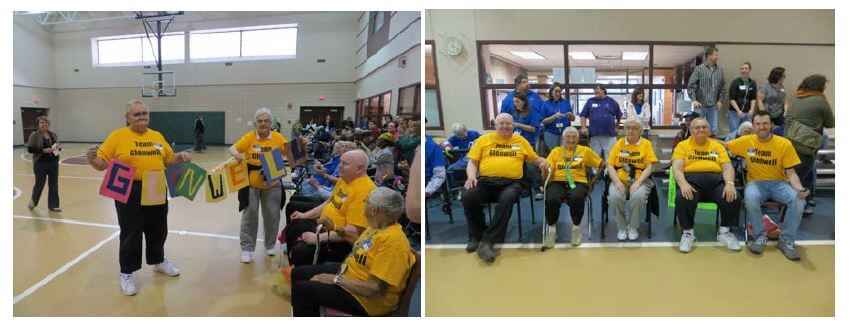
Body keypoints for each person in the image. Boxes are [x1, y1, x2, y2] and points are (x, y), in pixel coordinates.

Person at [86, 100, 190, 296]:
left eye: (145, 113)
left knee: (158, 228)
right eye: (137, 114)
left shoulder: (157, 136)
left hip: (155, 185)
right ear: (127, 118)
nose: (142, 117)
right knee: (130, 231)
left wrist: (181, 157)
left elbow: (169, 160)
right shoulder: (118, 136)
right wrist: (92, 159)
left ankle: (158, 261)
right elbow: (101, 164)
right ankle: (126, 272)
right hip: (127, 186)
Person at [290, 187, 415, 317]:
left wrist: (334, 279)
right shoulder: (378, 227)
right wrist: (335, 228)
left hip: (366, 301)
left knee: (302, 292)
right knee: (298, 273)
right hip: (351, 275)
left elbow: (374, 289)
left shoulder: (393, 242)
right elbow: (359, 244)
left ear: (374, 210)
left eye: (366, 201)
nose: (364, 205)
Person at [462, 113, 548, 263]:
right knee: (468, 196)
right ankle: (476, 236)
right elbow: (473, 161)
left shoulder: (520, 141)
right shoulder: (484, 140)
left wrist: (544, 162)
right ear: (495, 125)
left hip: (512, 183)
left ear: (513, 125)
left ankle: (488, 242)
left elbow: (534, 158)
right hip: (486, 182)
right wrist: (471, 176)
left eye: (508, 123)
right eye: (501, 123)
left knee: (507, 198)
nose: (505, 126)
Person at [728, 111, 807, 261]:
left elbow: (791, 173)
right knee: (750, 198)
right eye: (757, 124)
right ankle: (759, 236)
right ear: (754, 126)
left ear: (771, 125)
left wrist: (799, 188)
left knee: (798, 200)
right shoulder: (746, 141)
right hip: (756, 183)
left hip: (779, 183)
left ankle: (786, 241)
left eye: (765, 123)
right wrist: (703, 139)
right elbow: (725, 146)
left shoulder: (784, 144)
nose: (761, 127)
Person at [287, 150, 376, 266]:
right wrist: (305, 215)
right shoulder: (344, 180)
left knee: (301, 251)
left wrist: (318, 238)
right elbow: (329, 203)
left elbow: (352, 233)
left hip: (340, 240)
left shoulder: (365, 191)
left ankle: (303, 273)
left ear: (359, 169)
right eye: (340, 162)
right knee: (293, 226)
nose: (339, 166)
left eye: (345, 163)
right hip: (324, 226)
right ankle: (294, 267)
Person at [230, 108, 296, 264]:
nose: (263, 123)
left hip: (272, 184)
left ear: (271, 123)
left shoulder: (278, 138)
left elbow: (291, 153)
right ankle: (246, 249)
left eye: (266, 121)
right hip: (251, 185)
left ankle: (270, 245)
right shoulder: (249, 137)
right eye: (260, 121)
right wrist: (236, 154)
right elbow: (233, 147)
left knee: (272, 216)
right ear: (255, 124)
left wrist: (300, 145)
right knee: (250, 215)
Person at [671, 117, 742, 253]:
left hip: (715, 182)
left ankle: (724, 232)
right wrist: (683, 184)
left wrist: (730, 183)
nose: (701, 130)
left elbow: (727, 167)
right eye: (697, 127)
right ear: (691, 131)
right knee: (683, 197)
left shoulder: (717, 146)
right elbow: (677, 168)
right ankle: (688, 233)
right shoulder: (683, 146)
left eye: (704, 127)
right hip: (692, 181)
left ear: (709, 130)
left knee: (734, 196)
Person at [542, 126, 604, 248]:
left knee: (576, 197)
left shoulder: (584, 151)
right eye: (568, 137)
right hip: (557, 181)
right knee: (552, 199)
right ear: (563, 138)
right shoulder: (555, 151)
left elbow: (602, 164)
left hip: (578, 181)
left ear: (578, 138)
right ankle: (552, 231)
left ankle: (576, 229)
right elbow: (547, 173)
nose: (571, 140)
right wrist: (544, 171)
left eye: (574, 137)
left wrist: (593, 182)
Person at [787, 74, 834, 216]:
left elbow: (787, 119)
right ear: (819, 86)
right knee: (801, 178)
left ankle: (805, 202)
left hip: (790, 143)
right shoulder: (820, 100)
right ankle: (798, 207)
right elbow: (830, 123)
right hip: (807, 145)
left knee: (799, 175)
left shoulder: (796, 98)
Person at [606, 119, 658, 241]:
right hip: (620, 180)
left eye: (634, 128)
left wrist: (638, 182)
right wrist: (617, 182)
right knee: (614, 197)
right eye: (628, 128)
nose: (631, 130)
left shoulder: (646, 144)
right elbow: (609, 165)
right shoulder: (619, 143)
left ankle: (633, 227)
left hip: (641, 180)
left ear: (640, 130)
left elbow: (649, 167)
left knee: (638, 197)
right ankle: (622, 227)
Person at [504, 91, 544, 200]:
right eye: (514, 102)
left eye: (517, 101)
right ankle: (526, 189)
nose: (515, 104)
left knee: (531, 167)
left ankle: (539, 189)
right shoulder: (514, 114)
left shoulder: (531, 113)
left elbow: (533, 129)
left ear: (524, 102)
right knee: (521, 167)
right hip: (516, 144)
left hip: (528, 143)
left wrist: (518, 125)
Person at [687, 47, 726, 135]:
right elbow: (691, 86)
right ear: (709, 56)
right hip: (700, 105)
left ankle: (712, 148)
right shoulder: (699, 69)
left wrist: (720, 100)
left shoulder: (720, 71)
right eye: (716, 55)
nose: (717, 57)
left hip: (713, 106)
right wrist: (694, 100)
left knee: (713, 130)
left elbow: (723, 87)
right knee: (696, 128)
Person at [26, 116, 62, 212]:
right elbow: (30, 149)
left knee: (53, 184)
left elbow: (58, 146)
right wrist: (43, 150)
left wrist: (59, 147)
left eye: (46, 122)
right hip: (40, 163)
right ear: (38, 125)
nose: (44, 124)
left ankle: (53, 205)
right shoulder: (35, 135)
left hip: (53, 163)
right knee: (39, 183)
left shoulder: (53, 134)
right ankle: (33, 201)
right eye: (42, 122)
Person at [580, 85, 622, 160]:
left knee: (610, 156)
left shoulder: (612, 102)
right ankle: (595, 172)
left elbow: (619, 115)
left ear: (603, 90)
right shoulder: (590, 101)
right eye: (594, 90)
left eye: (597, 89)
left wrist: (617, 127)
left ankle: (608, 172)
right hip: (594, 134)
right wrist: (583, 127)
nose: (595, 91)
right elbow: (583, 115)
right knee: (595, 156)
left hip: (609, 135)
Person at [727, 62, 758, 140]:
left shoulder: (752, 83)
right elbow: (732, 99)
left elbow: (753, 98)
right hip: (734, 112)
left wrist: (752, 110)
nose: (744, 70)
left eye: (746, 68)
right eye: (742, 69)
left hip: (747, 113)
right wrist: (738, 111)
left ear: (750, 70)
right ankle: (732, 149)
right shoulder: (735, 82)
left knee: (748, 131)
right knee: (735, 131)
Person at [541, 82, 575, 153]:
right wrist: (554, 116)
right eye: (556, 91)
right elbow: (543, 121)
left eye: (559, 91)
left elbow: (573, 119)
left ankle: (564, 164)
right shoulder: (546, 104)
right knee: (555, 154)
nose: (558, 94)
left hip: (565, 133)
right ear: (551, 91)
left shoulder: (566, 103)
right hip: (551, 133)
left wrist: (571, 115)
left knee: (565, 153)